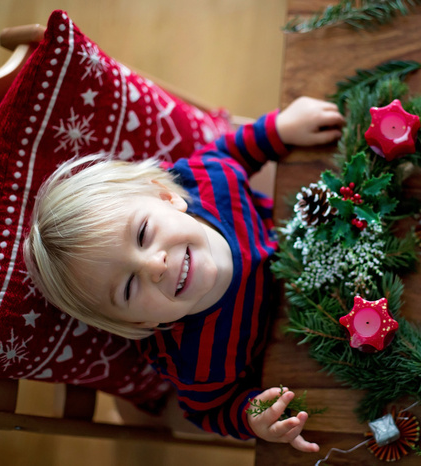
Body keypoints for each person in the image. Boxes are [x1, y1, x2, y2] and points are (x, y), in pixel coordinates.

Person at [23, 96, 345, 452]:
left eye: (143, 234)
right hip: (312, 336)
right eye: (129, 287)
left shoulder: (209, 182)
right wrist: (252, 416)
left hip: (325, 245)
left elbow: (230, 152)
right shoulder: (195, 363)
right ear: (137, 325)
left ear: (166, 197)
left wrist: (279, 129)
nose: (154, 266)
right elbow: (210, 411)